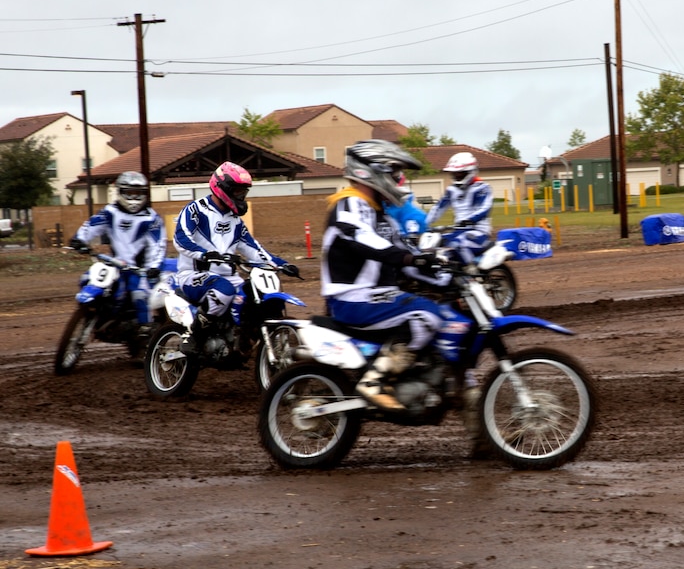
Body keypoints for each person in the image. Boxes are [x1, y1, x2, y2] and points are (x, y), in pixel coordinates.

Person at [322, 140, 445, 411]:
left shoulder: (381, 215)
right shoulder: (350, 204)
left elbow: (405, 252)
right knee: (427, 315)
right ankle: (374, 381)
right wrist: (409, 258)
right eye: (393, 172)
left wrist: (444, 269)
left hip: (377, 295)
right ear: (370, 170)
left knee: (444, 309)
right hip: (353, 298)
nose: (398, 180)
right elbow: (363, 239)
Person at [173, 162, 298, 349]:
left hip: (229, 277)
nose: (241, 196)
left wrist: (281, 264)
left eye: (243, 192)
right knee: (224, 290)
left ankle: (245, 338)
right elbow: (181, 238)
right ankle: (194, 337)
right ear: (223, 188)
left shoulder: (236, 221)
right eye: (237, 191)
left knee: (257, 293)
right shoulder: (195, 210)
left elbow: (254, 249)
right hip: (193, 276)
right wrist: (205, 255)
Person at [69, 171, 166, 333]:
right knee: (87, 278)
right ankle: (98, 315)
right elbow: (91, 225)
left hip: (140, 270)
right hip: (115, 264)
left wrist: (153, 266)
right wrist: (79, 239)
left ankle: (145, 335)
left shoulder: (152, 219)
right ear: (120, 191)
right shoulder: (110, 212)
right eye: (129, 192)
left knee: (139, 294)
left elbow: (158, 245)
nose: (134, 197)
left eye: (138, 193)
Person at [424, 152, 494, 264]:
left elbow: (485, 208)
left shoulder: (482, 188)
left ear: (470, 171)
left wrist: (470, 220)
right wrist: (424, 224)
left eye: (460, 173)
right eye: (454, 173)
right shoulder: (451, 190)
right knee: (433, 244)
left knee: (458, 244)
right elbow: (438, 208)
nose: (457, 176)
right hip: (458, 231)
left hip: (478, 232)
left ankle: (472, 275)